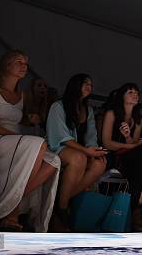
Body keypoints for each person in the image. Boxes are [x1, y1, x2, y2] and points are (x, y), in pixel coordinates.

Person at [0, 50, 60, 232]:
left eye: (26, 63)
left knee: (54, 161)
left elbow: (20, 120)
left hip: (16, 142)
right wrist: (18, 137)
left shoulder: (22, 95)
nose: (24, 66)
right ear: (6, 65)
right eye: (19, 62)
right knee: (36, 144)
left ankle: (14, 201)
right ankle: (12, 212)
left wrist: (31, 119)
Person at [46, 74, 107, 231]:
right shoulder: (58, 106)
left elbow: (91, 137)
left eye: (91, 84)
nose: (89, 86)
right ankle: (63, 210)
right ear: (75, 85)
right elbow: (61, 138)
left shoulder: (89, 110)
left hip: (80, 150)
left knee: (100, 164)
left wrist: (95, 151)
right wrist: (87, 151)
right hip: (57, 148)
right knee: (79, 158)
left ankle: (59, 203)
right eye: (85, 83)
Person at [101, 83, 142, 230]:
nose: (135, 95)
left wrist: (127, 137)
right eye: (130, 92)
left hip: (130, 156)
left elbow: (133, 143)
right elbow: (106, 142)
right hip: (113, 155)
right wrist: (131, 145)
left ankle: (141, 201)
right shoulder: (112, 114)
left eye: (137, 92)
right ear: (122, 96)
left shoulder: (137, 119)